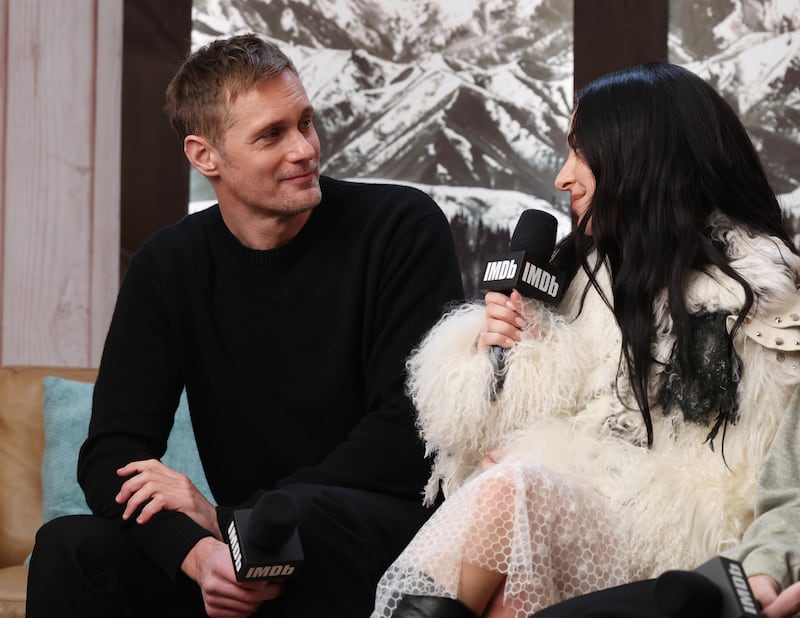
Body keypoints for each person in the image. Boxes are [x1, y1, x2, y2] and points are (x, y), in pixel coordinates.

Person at [25, 33, 464, 618]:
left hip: (377, 532)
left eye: (305, 122)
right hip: (246, 540)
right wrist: (197, 550)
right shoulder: (168, 265)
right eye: (272, 135)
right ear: (206, 156)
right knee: (69, 548)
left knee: (308, 516)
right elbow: (112, 454)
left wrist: (236, 519)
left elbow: (407, 436)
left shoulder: (402, 227)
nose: (305, 148)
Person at [370, 62, 800, 618]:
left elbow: (775, 482)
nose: (562, 177)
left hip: (682, 547)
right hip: (578, 527)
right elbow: (505, 440)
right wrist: (504, 357)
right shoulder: (588, 277)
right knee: (507, 559)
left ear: (639, 159)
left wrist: (545, 473)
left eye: (580, 152)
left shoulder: (765, 298)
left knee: (514, 495)